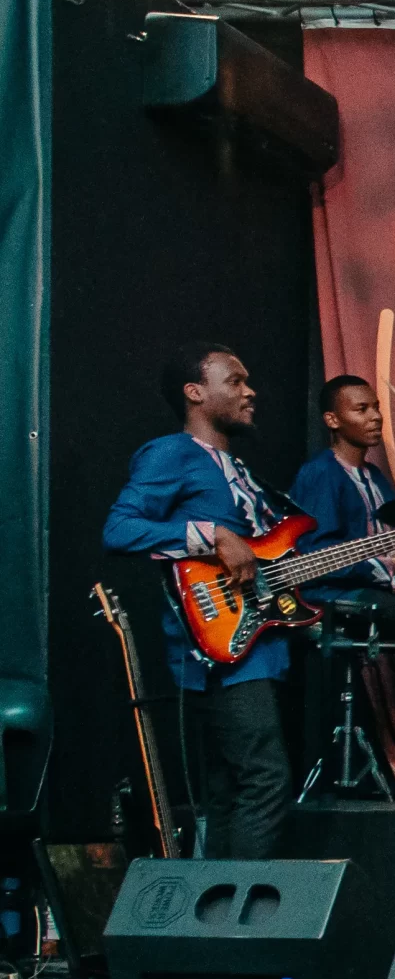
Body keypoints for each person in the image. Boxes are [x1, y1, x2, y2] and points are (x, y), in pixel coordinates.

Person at [101, 344, 294, 858]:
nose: (250, 392)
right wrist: (210, 534)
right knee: (265, 778)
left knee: (230, 789)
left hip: (257, 640)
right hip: (220, 646)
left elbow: (275, 555)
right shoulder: (173, 453)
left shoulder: (239, 469)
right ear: (195, 393)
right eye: (235, 381)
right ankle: (244, 905)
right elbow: (119, 529)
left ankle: (219, 902)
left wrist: (389, 561)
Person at [290, 375, 395, 788]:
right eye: (361, 409)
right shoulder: (320, 474)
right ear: (332, 419)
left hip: (367, 592)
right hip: (328, 598)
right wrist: (389, 570)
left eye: (376, 408)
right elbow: (316, 556)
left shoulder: (374, 477)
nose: (375, 417)